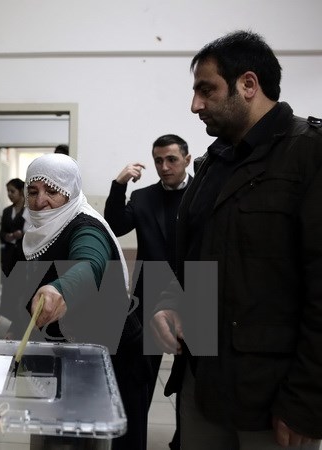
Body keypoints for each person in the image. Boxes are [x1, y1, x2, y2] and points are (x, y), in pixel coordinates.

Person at [150, 30, 322, 450]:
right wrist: (168, 302)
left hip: (271, 397)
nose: (195, 105)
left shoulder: (309, 154)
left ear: (248, 84)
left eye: (206, 90)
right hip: (202, 383)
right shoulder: (212, 163)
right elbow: (188, 259)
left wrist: (306, 400)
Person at [23, 153, 150, 450]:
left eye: (52, 191)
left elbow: (89, 262)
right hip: (74, 349)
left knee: (115, 439)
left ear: (70, 191)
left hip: (113, 357)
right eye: (33, 191)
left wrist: (61, 289)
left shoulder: (85, 227)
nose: (40, 201)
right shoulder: (42, 228)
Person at [104, 134, 191, 449]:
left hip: (196, 293)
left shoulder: (204, 193)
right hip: (148, 297)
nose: (164, 167)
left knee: (193, 387)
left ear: (187, 159)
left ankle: (184, 442)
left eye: (172, 159)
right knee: (136, 382)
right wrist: (119, 184)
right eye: (158, 160)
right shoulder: (142, 197)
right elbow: (114, 224)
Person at [0, 178, 28, 276]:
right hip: (8, 256)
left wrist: (22, 234)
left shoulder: (28, 210)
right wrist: (7, 236)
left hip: (23, 255)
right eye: (8, 191)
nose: (9, 194)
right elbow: (2, 232)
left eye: (12, 191)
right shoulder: (6, 211)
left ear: (20, 192)